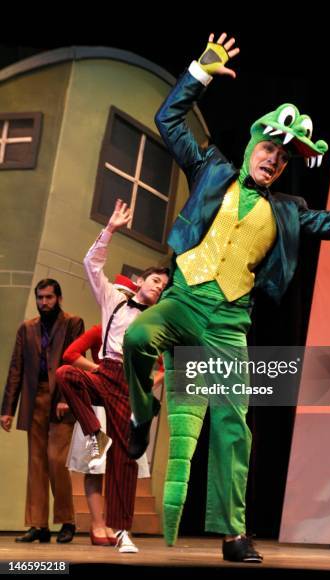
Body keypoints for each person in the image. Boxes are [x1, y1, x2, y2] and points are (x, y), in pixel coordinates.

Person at [123, 32, 330, 563]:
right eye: (268, 148)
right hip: (185, 298)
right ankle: (143, 417)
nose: (273, 160)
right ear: (254, 141)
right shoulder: (212, 170)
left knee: (235, 424)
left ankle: (233, 534)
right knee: (140, 335)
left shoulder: (289, 210)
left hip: (229, 321)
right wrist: (202, 71)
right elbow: (168, 122)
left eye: (282, 158)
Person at [56, 212, 168, 553]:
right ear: (141, 281)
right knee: (66, 375)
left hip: (131, 385)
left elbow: (166, 361)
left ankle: (122, 532)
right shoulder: (114, 302)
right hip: (105, 373)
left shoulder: (159, 320)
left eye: (164, 285)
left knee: (124, 460)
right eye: (155, 280)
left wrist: (150, 384)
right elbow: (91, 265)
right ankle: (94, 432)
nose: (159, 286)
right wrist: (110, 229)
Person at [0, 279, 84, 544]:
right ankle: (38, 524)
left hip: (60, 399)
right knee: (36, 463)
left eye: (49, 297)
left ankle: (67, 521)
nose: (44, 302)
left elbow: (74, 361)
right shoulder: (27, 329)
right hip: (33, 399)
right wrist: (7, 409)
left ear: (59, 298)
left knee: (56, 461)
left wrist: (66, 398)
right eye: (40, 298)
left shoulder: (72, 323)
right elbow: (16, 369)